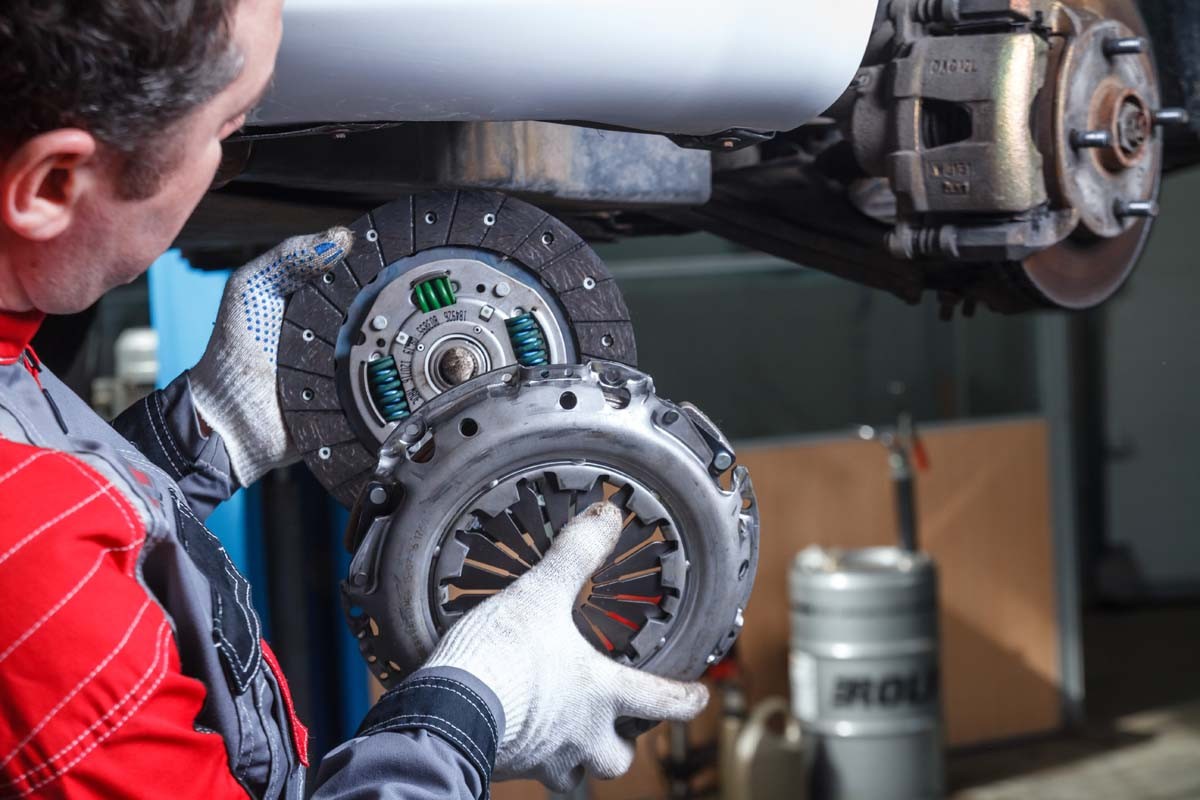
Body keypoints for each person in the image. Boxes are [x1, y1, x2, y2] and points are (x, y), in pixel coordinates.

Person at [0, 1, 708, 797]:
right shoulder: (28, 570)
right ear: (52, 183)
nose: (224, 164)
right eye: (227, 136)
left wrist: (209, 432)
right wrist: (467, 711)